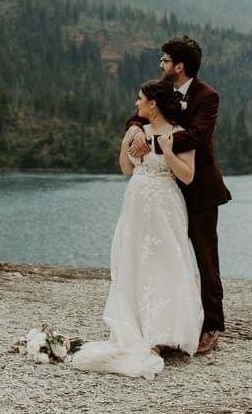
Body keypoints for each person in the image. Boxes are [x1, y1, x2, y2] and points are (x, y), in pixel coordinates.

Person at [71, 78, 204, 379]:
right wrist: (126, 143)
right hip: (135, 203)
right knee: (134, 261)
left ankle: (165, 330)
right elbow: (127, 168)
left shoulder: (179, 134)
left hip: (164, 205)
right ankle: (138, 325)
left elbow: (187, 176)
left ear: (153, 104)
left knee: (167, 260)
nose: (136, 103)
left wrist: (169, 152)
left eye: (140, 99)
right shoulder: (139, 131)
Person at [126, 35, 231, 356]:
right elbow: (138, 116)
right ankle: (164, 323)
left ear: (180, 66)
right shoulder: (162, 91)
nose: (160, 64)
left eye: (165, 60)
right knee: (162, 256)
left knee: (204, 257)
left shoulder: (207, 96)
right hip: (163, 190)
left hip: (198, 188)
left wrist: (152, 143)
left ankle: (211, 326)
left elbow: (198, 136)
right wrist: (134, 131)